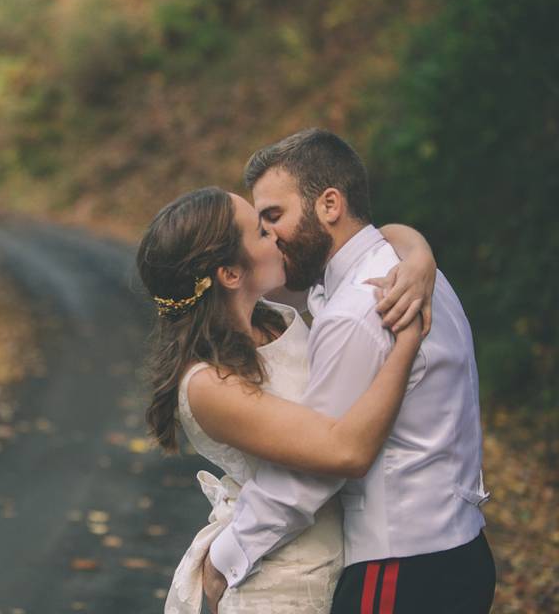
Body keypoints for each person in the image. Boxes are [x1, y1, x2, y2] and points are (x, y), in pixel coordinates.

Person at [201, 128, 495, 613]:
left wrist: (227, 556)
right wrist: (417, 245)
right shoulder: (417, 272)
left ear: (330, 205)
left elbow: (316, 465)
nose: (268, 238)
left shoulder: (359, 308)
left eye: (274, 217)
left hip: (400, 569)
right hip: (459, 552)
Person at [137, 185, 435, 613]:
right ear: (231, 274)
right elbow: (343, 451)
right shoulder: (207, 384)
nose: (276, 236)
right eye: (260, 232)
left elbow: (373, 240)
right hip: (277, 584)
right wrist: (407, 342)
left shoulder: (273, 319)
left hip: (339, 561)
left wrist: (420, 258)